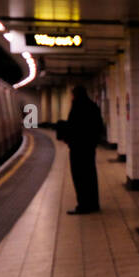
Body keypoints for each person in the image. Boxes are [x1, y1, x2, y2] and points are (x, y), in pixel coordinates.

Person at [58, 84, 104, 214]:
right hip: (89, 149)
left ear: (75, 95)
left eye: (72, 95)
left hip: (78, 149)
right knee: (90, 176)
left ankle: (83, 205)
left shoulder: (77, 107)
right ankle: (94, 204)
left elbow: (73, 128)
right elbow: (99, 127)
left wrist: (67, 136)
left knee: (79, 177)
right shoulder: (93, 106)